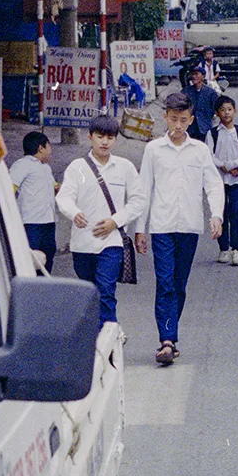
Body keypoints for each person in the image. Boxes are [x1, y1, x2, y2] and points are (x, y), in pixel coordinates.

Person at [134, 92, 224, 366]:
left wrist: (216, 215)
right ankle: (167, 340)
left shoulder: (199, 150)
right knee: (165, 282)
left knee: (179, 284)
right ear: (165, 118)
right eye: (173, 119)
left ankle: (171, 335)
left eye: (183, 120)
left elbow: (213, 183)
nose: (178, 125)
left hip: (189, 225)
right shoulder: (153, 150)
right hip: (161, 226)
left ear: (191, 120)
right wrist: (140, 228)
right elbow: (144, 190)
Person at [56, 115, 148, 325]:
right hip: (82, 243)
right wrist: (74, 213)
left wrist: (115, 221)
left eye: (110, 137)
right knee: (89, 293)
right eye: (100, 137)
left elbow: (138, 199)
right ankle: (91, 338)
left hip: (111, 242)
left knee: (106, 290)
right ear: (90, 137)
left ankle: (109, 337)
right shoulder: (77, 167)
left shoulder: (124, 167)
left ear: (115, 139)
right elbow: (64, 197)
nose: (105, 142)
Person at [206, 95, 238, 266]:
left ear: (235, 111)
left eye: (229, 109)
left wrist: (235, 167)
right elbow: (209, 155)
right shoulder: (212, 134)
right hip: (219, 179)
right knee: (222, 212)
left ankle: (236, 249)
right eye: (222, 110)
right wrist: (224, 167)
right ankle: (223, 248)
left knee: (236, 210)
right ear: (217, 114)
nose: (226, 113)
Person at [9, 131, 58, 273]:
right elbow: (9, 188)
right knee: (31, 260)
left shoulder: (46, 167)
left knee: (47, 257)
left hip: (48, 221)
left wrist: (58, 187)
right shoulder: (22, 165)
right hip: (31, 222)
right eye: (49, 146)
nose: (50, 151)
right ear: (40, 148)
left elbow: (52, 185)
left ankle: (43, 288)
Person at [182, 65, 221, 141]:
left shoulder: (211, 93)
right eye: (192, 74)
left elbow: (215, 108)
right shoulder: (186, 91)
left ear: (203, 77)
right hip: (190, 128)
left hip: (204, 127)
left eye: (196, 74)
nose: (194, 76)